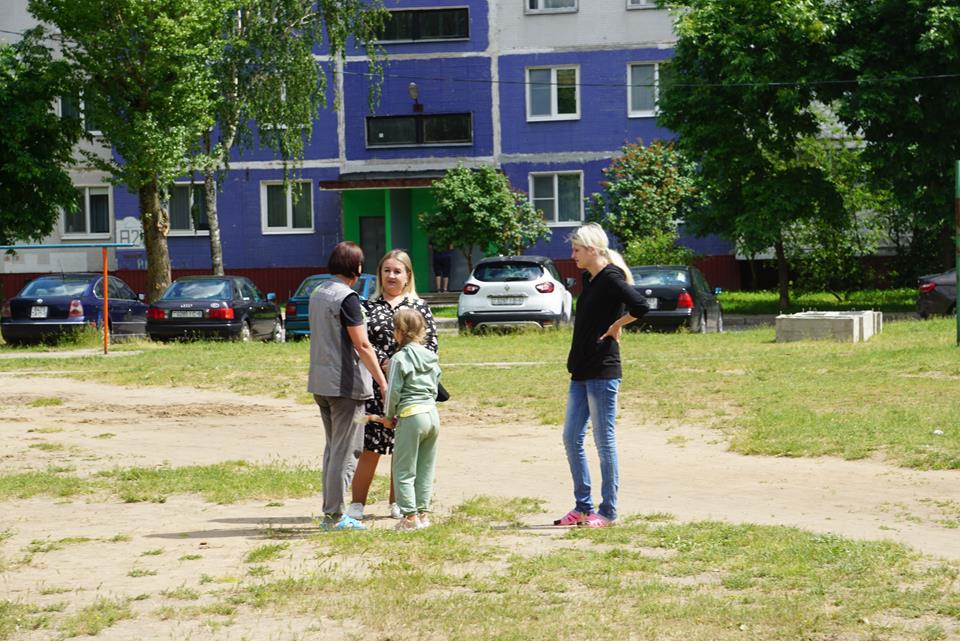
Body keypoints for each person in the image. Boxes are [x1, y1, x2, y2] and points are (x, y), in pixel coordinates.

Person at [556, 223, 649, 528]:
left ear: (592, 250)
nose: (573, 255)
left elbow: (641, 306)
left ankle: (608, 511)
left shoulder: (610, 277)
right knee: (571, 437)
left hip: (602, 370)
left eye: (577, 250)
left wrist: (617, 325)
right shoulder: (590, 278)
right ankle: (583, 507)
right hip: (581, 370)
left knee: (603, 441)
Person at [346, 249, 438, 521]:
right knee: (370, 447)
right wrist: (383, 364)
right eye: (386, 270)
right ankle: (357, 503)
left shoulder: (419, 307)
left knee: (404, 449)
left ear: (408, 275)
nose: (391, 276)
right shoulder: (368, 306)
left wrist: (402, 363)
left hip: (409, 392)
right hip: (374, 386)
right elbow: (360, 343)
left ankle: (398, 502)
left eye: (397, 271)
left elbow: (431, 346)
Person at [308, 241, 388, 531]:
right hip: (345, 386)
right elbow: (362, 344)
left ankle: (331, 512)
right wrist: (382, 382)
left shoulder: (318, 292)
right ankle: (335, 516)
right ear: (357, 267)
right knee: (346, 452)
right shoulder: (348, 298)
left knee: (333, 450)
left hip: (321, 382)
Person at [383, 307, 441, 531]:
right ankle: (423, 514)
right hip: (432, 415)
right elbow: (435, 386)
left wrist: (389, 416)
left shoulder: (399, 358)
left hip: (411, 415)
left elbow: (393, 391)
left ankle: (409, 517)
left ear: (399, 331)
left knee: (404, 469)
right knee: (426, 467)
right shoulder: (431, 356)